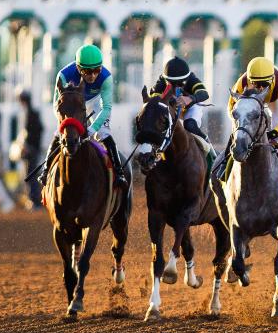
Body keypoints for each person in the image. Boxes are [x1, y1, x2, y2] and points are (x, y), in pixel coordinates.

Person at [38, 44, 127, 188]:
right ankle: (45, 171)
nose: (92, 76)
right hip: (71, 105)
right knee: (59, 134)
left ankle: (119, 172)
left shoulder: (106, 77)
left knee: (104, 133)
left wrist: (92, 129)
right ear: (79, 68)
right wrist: (66, 124)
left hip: (95, 103)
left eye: (96, 70)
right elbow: (57, 105)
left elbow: (107, 108)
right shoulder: (63, 75)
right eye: (87, 71)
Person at [223, 56, 278, 185]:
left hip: (275, 100)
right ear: (249, 80)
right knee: (240, 131)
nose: (260, 88)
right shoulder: (241, 84)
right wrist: (237, 126)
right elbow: (231, 108)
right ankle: (225, 164)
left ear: (271, 79)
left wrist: (276, 132)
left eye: (264, 84)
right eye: (255, 84)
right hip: (251, 101)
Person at [148, 56, 210, 141]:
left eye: (180, 83)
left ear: (186, 79)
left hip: (191, 107)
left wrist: (190, 98)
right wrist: (168, 100)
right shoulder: (162, 81)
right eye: (172, 83)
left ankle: (208, 145)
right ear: (166, 79)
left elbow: (204, 94)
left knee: (190, 125)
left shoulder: (191, 79)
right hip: (171, 107)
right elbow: (154, 100)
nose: (176, 87)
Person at [18, 90, 44, 209]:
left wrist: (28, 146)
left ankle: (34, 200)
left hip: (31, 150)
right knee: (31, 174)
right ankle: (33, 199)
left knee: (30, 175)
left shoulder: (29, 114)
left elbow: (33, 133)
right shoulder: (32, 113)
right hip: (33, 149)